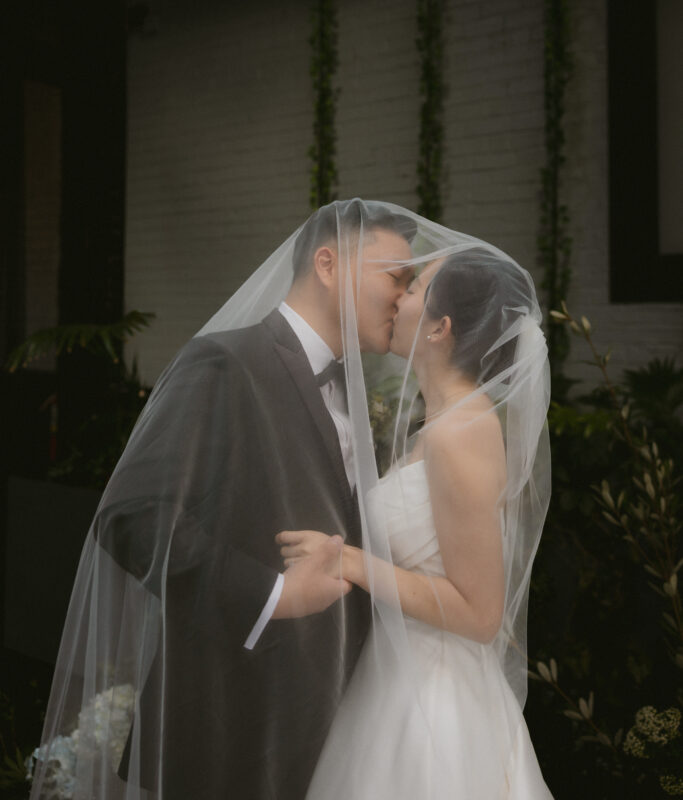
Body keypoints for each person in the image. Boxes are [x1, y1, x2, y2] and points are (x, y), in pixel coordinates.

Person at [28, 200, 416, 800]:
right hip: (229, 727)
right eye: (397, 275)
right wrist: (274, 595)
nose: (405, 295)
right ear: (328, 264)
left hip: (327, 730)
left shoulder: (352, 395)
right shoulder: (225, 361)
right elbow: (133, 515)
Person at [279, 244, 554, 798]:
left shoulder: (461, 433)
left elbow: (480, 613)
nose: (398, 297)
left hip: (436, 704)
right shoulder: (444, 425)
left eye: (414, 289)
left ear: (439, 328)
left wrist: (351, 561)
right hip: (393, 678)